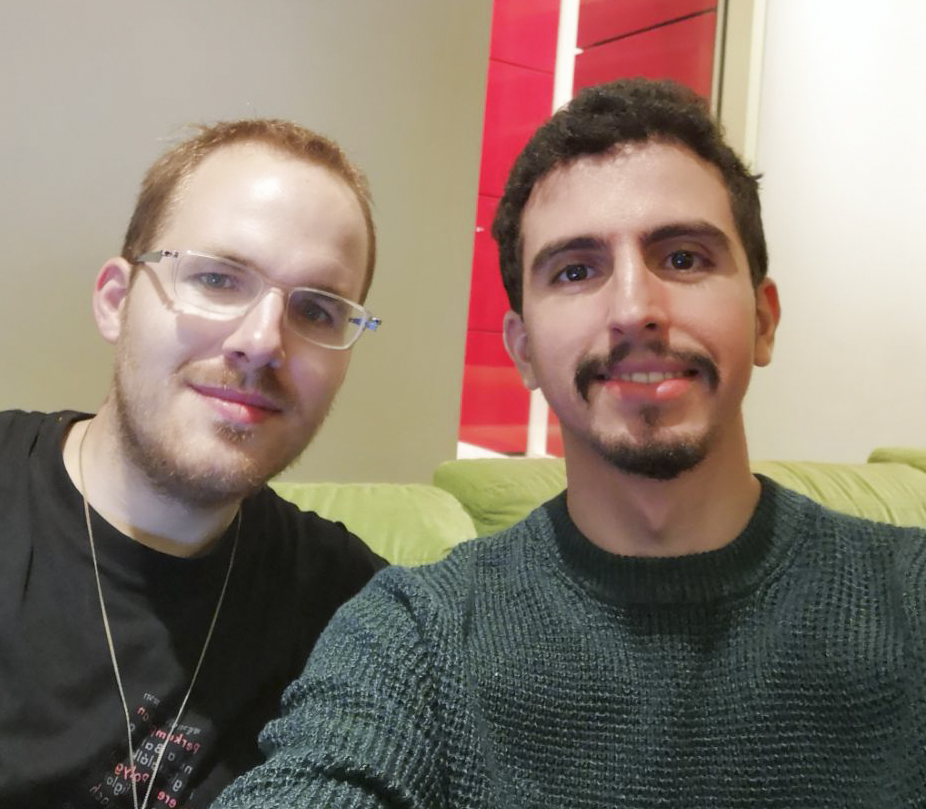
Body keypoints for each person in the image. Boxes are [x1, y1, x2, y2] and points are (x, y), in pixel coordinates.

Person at [215, 80, 926, 808]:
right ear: (522, 350)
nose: (635, 309)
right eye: (577, 270)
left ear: (763, 319)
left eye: (683, 258)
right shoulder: (414, 636)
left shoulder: (912, 594)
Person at [0, 119, 387, 808]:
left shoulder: (355, 610)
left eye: (316, 310)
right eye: (218, 278)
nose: (262, 341)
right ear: (116, 301)